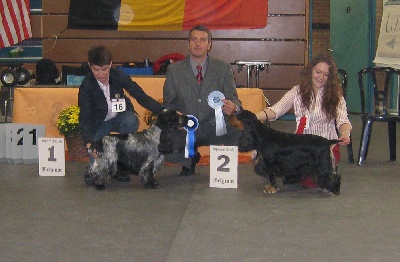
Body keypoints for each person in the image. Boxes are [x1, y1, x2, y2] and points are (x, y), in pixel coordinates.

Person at [255, 54, 352, 187]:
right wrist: (254, 117)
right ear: (310, 71)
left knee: (313, 183)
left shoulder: (336, 97)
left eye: (326, 75)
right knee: (293, 176)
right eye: (318, 72)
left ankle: (328, 167)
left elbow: (343, 121)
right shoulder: (296, 92)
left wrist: (345, 133)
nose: (321, 77)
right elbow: (276, 110)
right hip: (300, 148)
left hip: (325, 147)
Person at [162, 25, 242, 176]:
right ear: (188, 44)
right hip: (185, 128)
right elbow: (168, 103)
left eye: (202, 40)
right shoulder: (174, 70)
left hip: (215, 126)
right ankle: (188, 161)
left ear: (209, 44)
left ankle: (226, 167)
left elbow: (233, 99)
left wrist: (234, 107)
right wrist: (175, 117)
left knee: (237, 131)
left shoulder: (223, 68)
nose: (198, 44)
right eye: (194, 40)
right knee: (167, 138)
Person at [78, 46, 164, 181]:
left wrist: (162, 111)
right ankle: (106, 166)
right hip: (99, 124)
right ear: (90, 66)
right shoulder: (86, 85)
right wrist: (89, 143)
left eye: (104, 69)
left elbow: (140, 95)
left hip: (120, 118)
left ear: (111, 64)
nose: (100, 73)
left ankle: (121, 166)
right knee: (94, 173)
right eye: (96, 69)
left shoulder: (119, 76)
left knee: (131, 120)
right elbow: (85, 115)